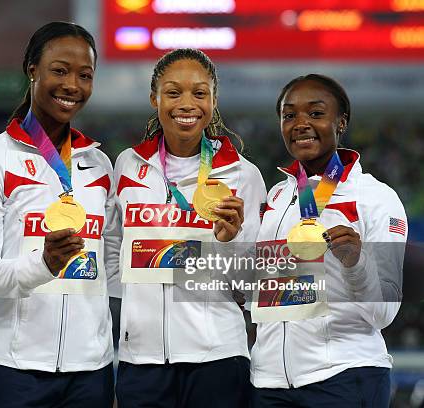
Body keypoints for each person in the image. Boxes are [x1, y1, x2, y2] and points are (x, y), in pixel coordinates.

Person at [0, 22, 119, 408]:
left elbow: (112, 264)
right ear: (32, 70)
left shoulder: (100, 166)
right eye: (60, 70)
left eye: (85, 75)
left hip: (91, 370)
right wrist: (43, 266)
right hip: (12, 368)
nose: (72, 85)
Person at [113, 48, 267, 407]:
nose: (187, 103)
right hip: (142, 360)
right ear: (154, 98)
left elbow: (256, 283)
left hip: (218, 357)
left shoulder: (243, 174)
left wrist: (230, 244)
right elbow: (112, 253)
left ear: (213, 101)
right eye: (173, 92)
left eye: (199, 93)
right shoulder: (126, 166)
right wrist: (129, 325)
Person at [250, 74, 407, 407]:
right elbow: (261, 288)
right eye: (289, 115)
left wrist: (356, 262)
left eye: (316, 113)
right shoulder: (277, 196)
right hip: (269, 383)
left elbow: (385, 313)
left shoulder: (376, 198)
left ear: (341, 122)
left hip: (343, 377)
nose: (301, 123)